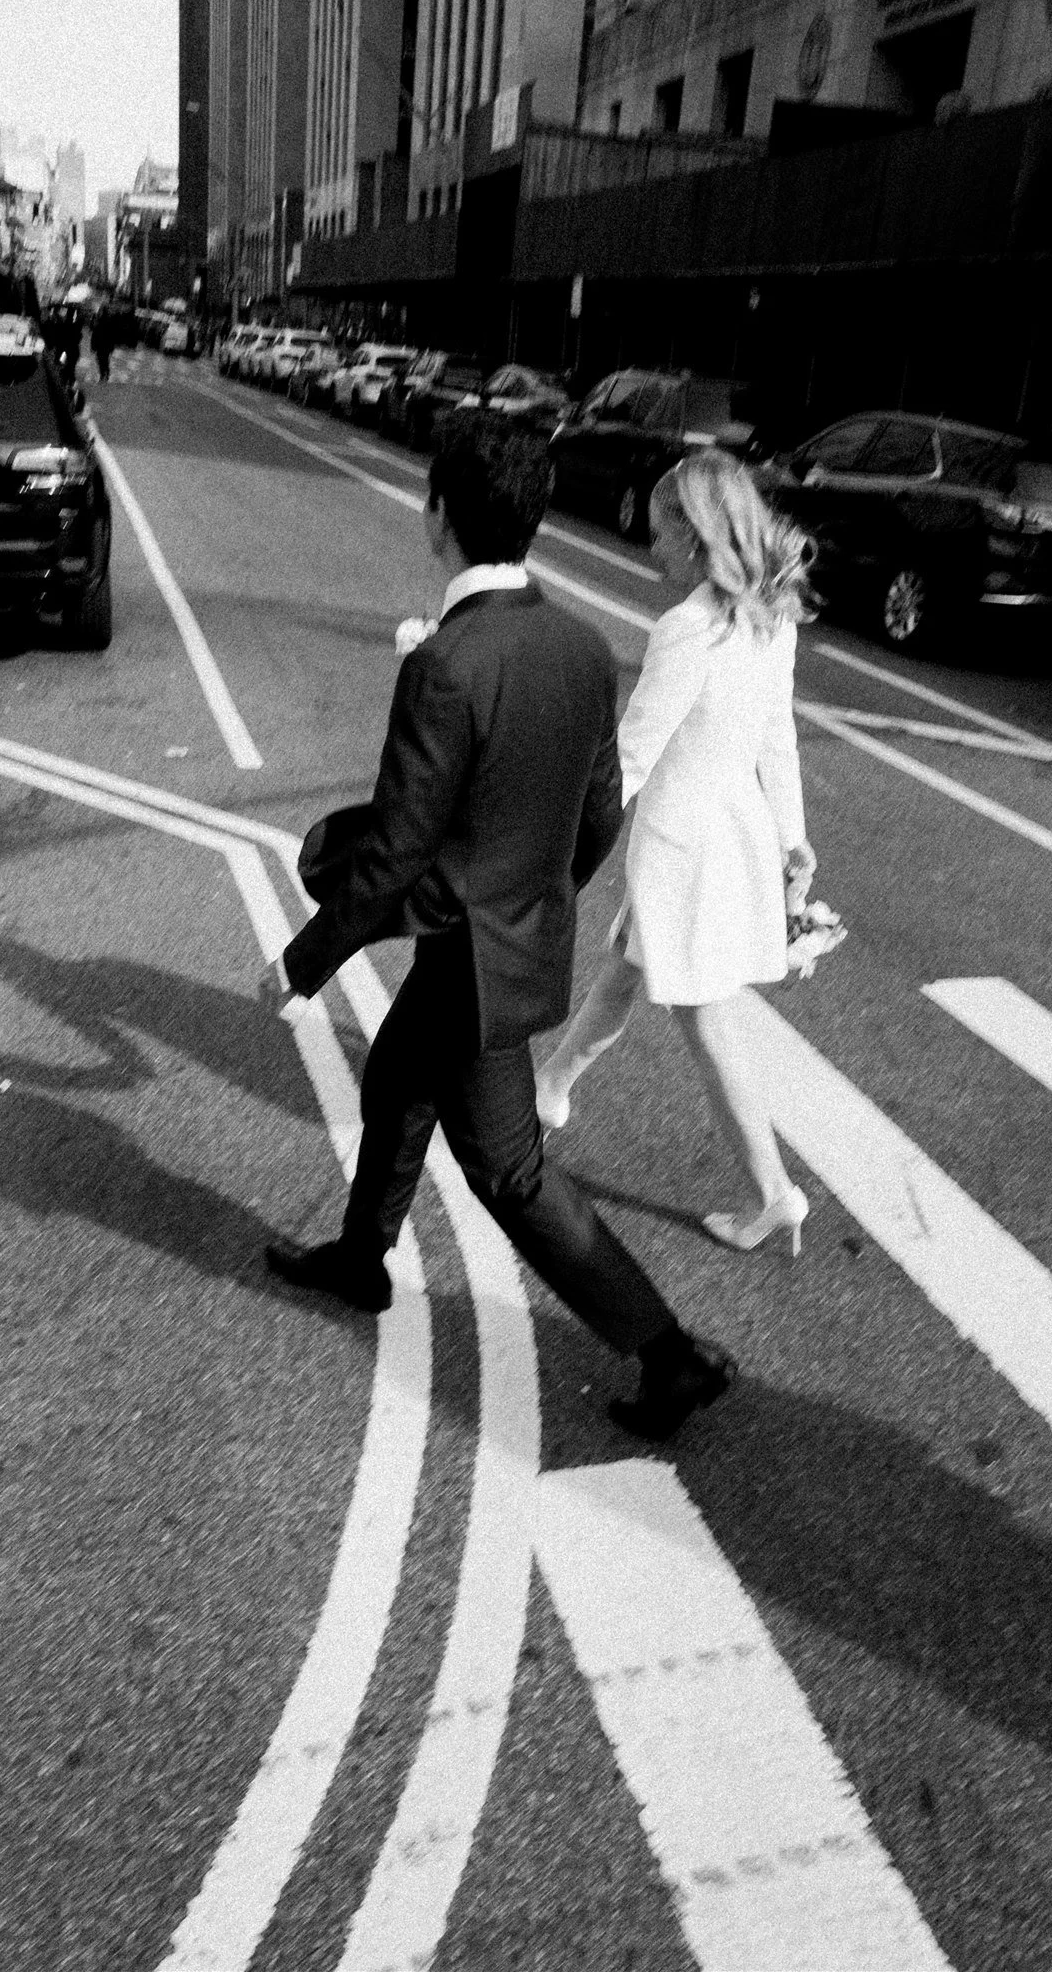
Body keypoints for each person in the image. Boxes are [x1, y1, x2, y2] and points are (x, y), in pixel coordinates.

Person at [258, 419, 734, 1444]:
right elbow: (601, 805)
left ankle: (671, 1352)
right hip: (503, 941)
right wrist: (533, 894)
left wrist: (304, 963)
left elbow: (392, 848)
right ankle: (360, 1254)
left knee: (509, 1170)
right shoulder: (579, 644)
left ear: (438, 515)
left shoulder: (447, 664)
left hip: (474, 962)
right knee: (394, 1076)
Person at [534, 446, 818, 1254]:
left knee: (707, 1025)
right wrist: (793, 835)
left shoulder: (689, 628)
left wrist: (562, 842)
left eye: (660, 533)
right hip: (733, 834)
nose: (648, 547)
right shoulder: (770, 616)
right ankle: (551, 1088)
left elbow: (632, 754)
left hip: (682, 849)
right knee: (626, 966)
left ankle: (773, 1195)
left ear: (695, 538)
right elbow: (777, 741)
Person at [90, 301, 115, 383]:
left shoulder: (99, 320)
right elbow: (112, 335)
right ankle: (105, 373)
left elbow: (95, 333)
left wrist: (93, 345)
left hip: (101, 343)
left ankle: (103, 374)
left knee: (101, 359)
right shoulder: (110, 320)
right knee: (104, 359)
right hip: (105, 344)